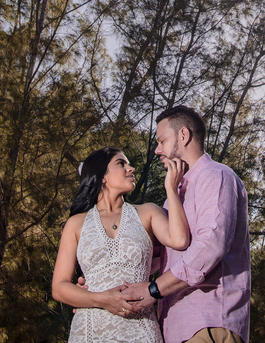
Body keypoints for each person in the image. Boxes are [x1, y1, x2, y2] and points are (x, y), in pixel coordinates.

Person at [114, 106, 251, 343]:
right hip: (173, 328)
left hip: (208, 323)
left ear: (184, 136)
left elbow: (211, 246)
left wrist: (153, 290)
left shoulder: (215, 176)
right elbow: (149, 257)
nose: (157, 150)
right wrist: (99, 292)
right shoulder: (173, 197)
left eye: (162, 141)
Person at [52, 146, 190, 343]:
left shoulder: (148, 212)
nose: (131, 168)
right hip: (90, 330)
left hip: (140, 328)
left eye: (129, 164)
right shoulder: (76, 223)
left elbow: (179, 240)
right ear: (102, 177)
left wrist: (171, 189)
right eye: (121, 164)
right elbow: (59, 287)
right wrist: (103, 299)